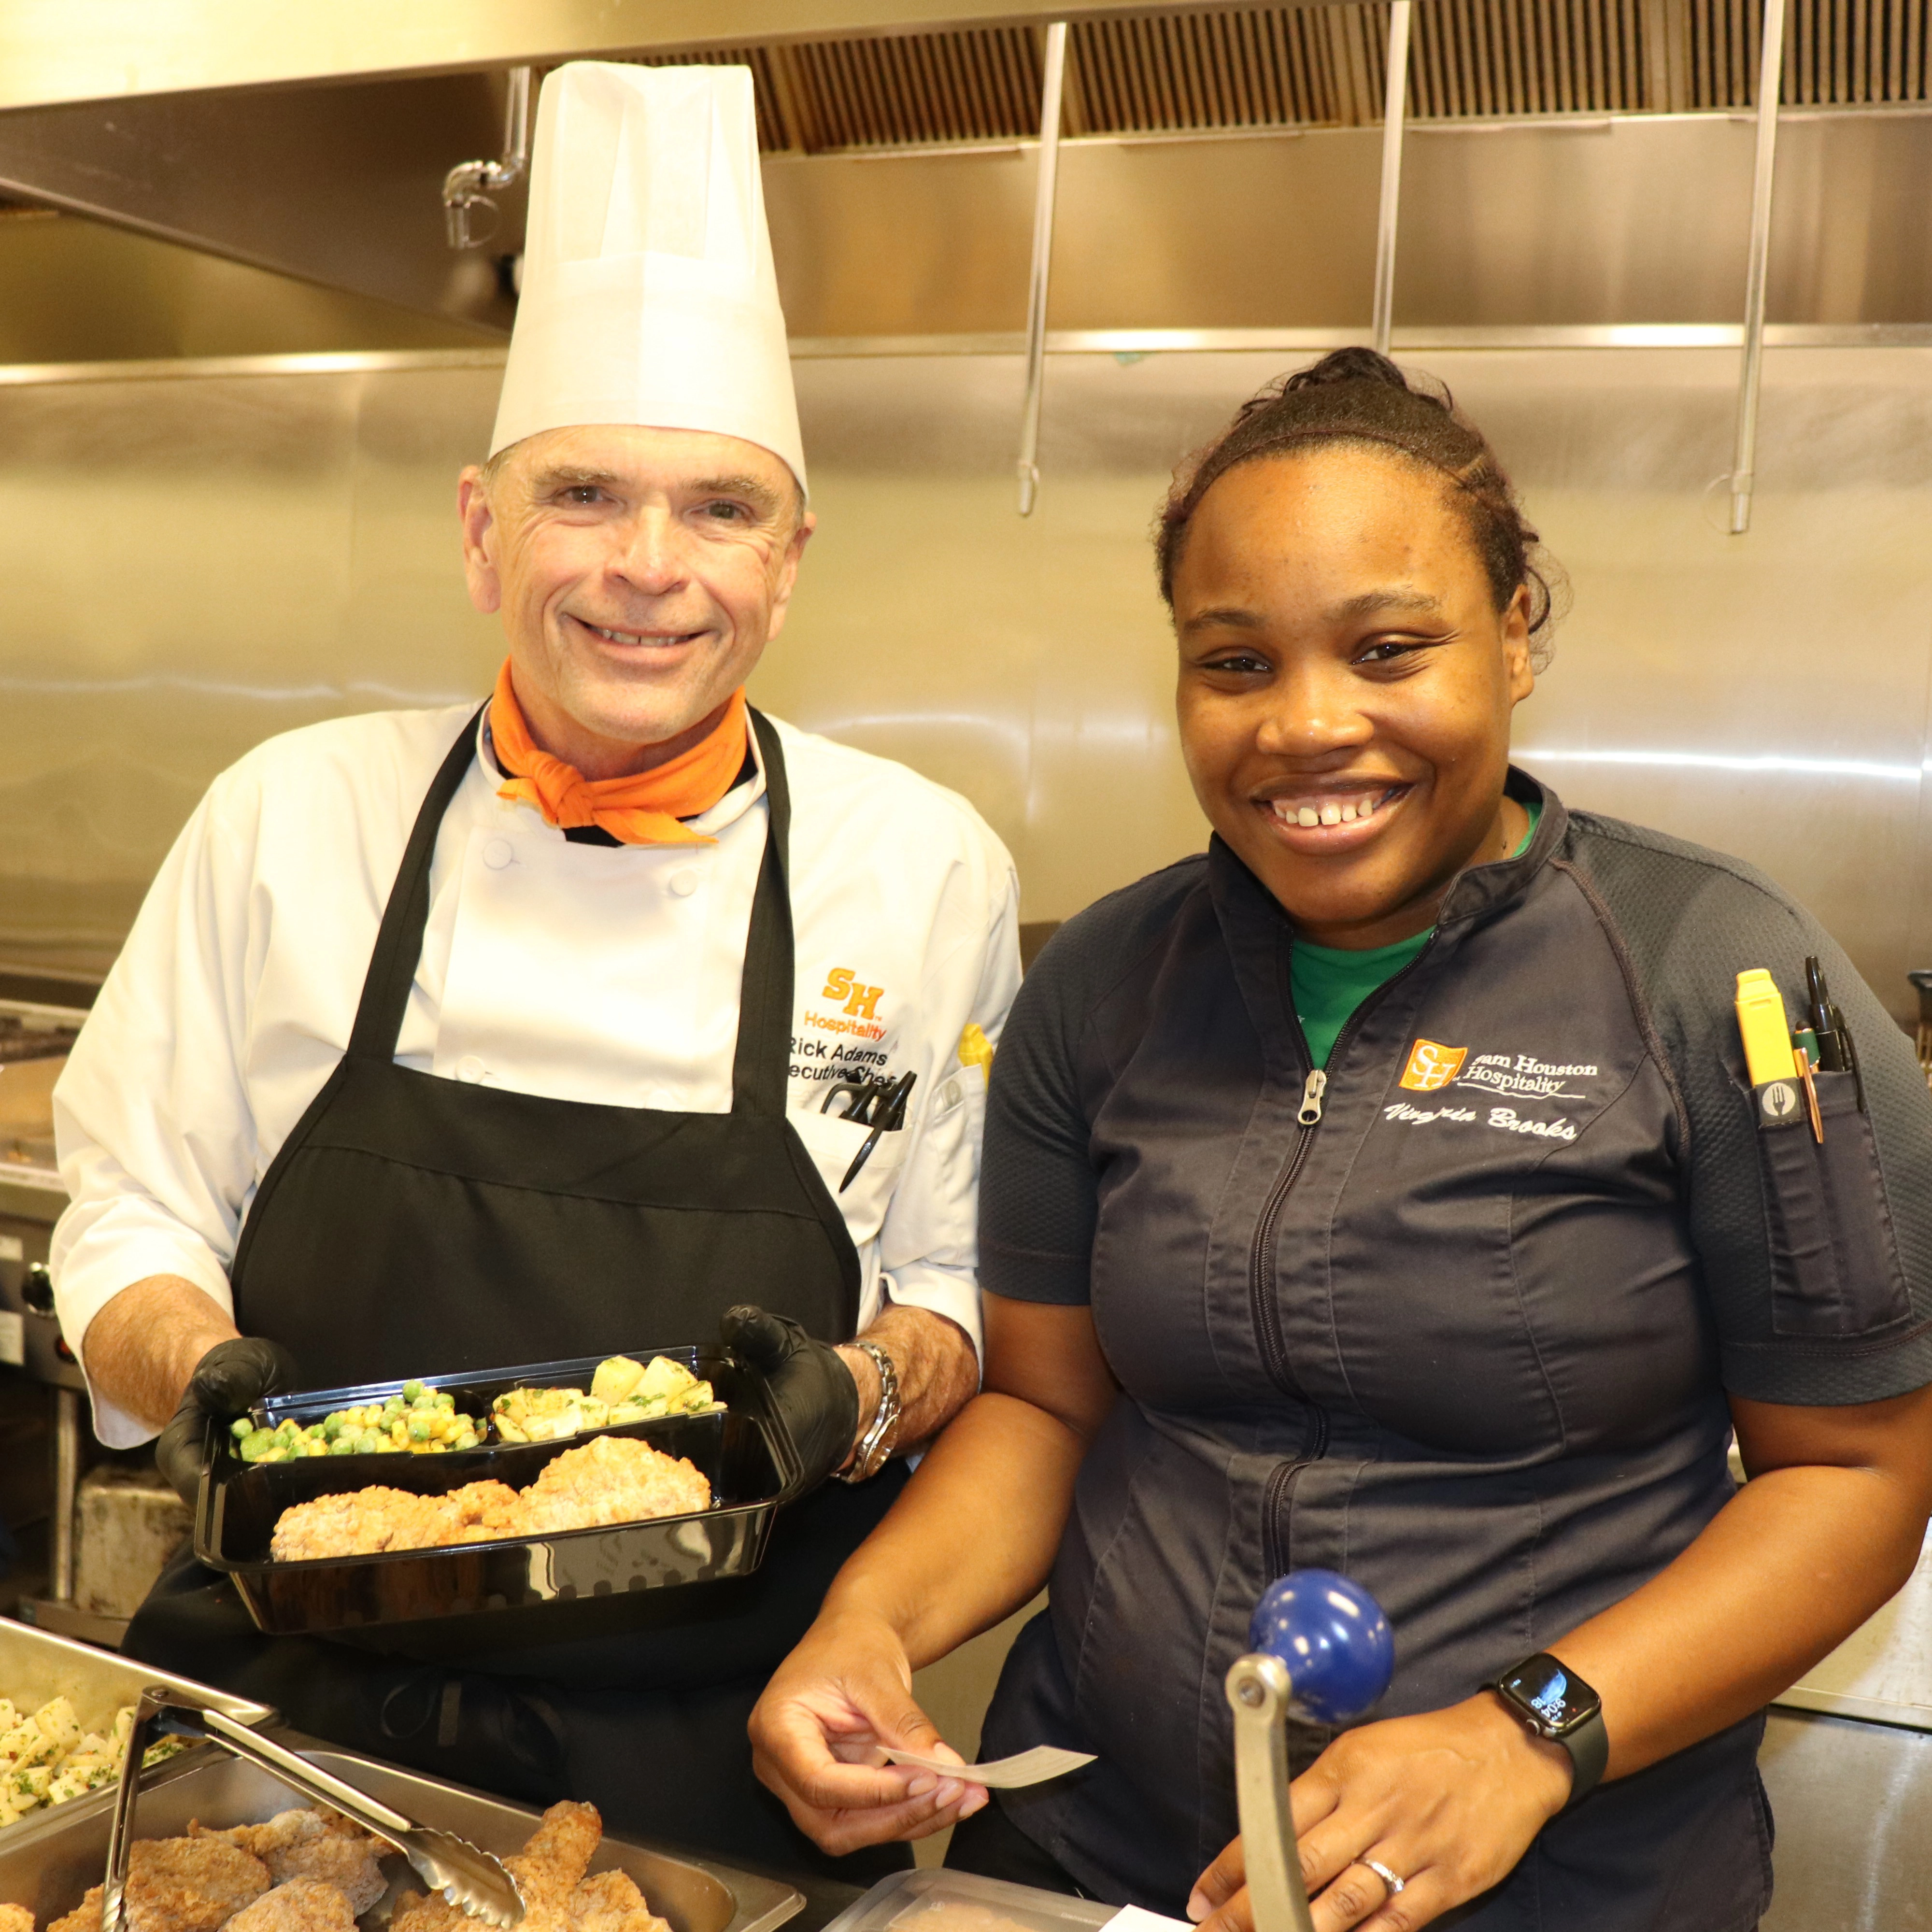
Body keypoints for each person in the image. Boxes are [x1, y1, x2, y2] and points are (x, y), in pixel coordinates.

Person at [747, 349, 1932, 1929]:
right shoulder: (1104, 982)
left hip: (1558, 1883)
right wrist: (870, 1626)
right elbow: (1042, 1408)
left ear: (1516, 634)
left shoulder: (1723, 980)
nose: (1309, 726)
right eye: (1234, 664)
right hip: (1102, 1854)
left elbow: (1853, 1475)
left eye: (1387, 649)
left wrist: (1526, 1738)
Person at [48, 62, 1016, 1877]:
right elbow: (125, 1216)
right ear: (484, 529)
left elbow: (966, 1290)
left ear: (792, 564)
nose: (651, 570)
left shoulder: (924, 865)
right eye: (586, 494)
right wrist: (204, 1382)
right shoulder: (290, 816)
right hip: (276, 1736)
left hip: (713, 1761)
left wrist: (864, 1392)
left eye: (720, 510)